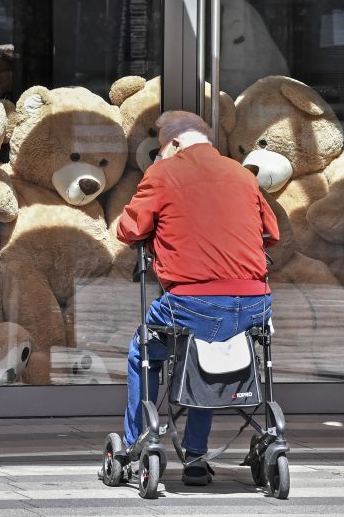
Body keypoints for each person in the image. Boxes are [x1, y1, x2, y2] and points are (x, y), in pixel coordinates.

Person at [116, 110, 279, 486]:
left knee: (144, 350)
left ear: (174, 143)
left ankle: (136, 442)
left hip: (193, 304)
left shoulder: (162, 173)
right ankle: (195, 453)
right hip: (254, 303)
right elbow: (271, 233)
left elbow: (128, 229)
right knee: (208, 352)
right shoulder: (242, 174)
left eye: (161, 148)